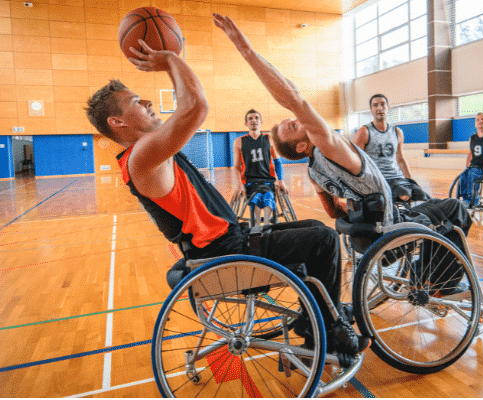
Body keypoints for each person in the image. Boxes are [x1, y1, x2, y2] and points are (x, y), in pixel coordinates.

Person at [85, 38, 367, 362]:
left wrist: (173, 64)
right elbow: (195, 107)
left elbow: (187, 107)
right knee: (324, 240)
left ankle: (314, 317)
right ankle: (328, 334)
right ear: (117, 123)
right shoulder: (141, 157)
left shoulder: (150, 152)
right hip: (226, 252)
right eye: (136, 101)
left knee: (315, 227)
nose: (148, 102)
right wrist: (169, 60)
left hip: (231, 241)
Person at [213, 14, 472, 292]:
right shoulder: (330, 146)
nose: (296, 118)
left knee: (428, 206)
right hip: (391, 232)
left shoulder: (314, 172)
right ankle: (437, 282)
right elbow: (293, 97)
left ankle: (426, 275)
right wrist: (246, 50)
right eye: (292, 126)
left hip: (367, 240)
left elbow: (334, 211)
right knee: (455, 209)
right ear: (300, 146)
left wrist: (358, 218)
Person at [352, 94, 429, 204]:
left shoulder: (397, 132)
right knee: (404, 195)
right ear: (371, 110)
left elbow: (401, 160)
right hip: (377, 179)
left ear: (388, 108)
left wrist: (411, 181)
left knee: (421, 195)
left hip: (396, 178)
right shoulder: (364, 132)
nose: (379, 108)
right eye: (375, 105)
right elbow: (355, 161)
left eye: (382, 104)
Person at [231, 109, 288, 226]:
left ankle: (266, 224)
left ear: (261, 122)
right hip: (249, 182)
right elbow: (236, 167)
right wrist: (238, 185)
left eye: (256, 118)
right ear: (246, 123)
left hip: (268, 181)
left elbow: (277, 162)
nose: (254, 120)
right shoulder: (239, 141)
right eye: (250, 118)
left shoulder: (270, 139)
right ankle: (257, 225)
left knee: (268, 197)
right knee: (256, 198)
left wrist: (281, 181)